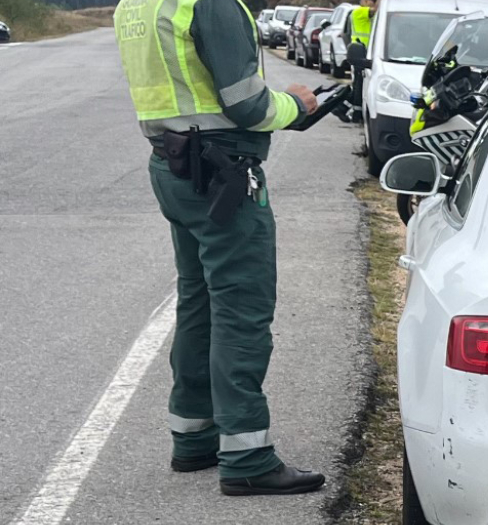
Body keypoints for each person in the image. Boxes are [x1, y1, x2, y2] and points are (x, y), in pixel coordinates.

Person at [113, 0, 325, 496]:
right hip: (223, 172)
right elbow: (247, 104)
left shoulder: (136, 5)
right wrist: (299, 104)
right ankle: (247, 455)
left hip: (172, 164)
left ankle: (193, 437)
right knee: (241, 310)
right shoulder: (212, 4)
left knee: (199, 303)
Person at [345, 0, 377, 122]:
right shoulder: (359, 12)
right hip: (359, 54)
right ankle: (356, 113)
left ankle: (355, 109)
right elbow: (374, 11)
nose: (372, 3)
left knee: (361, 85)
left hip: (368, 55)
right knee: (360, 84)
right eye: (371, 1)